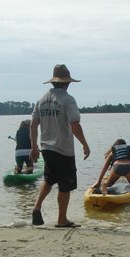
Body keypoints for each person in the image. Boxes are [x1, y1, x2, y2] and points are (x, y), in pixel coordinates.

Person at [30, 64, 90, 227]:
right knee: (65, 186)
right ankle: (62, 219)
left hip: (46, 148)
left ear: (53, 82)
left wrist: (34, 147)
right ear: (67, 82)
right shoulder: (68, 100)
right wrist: (85, 144)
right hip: (63, 149)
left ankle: (36, 207)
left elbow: (33, 125)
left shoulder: (42, 100)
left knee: (49, 179)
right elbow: (74, 124)